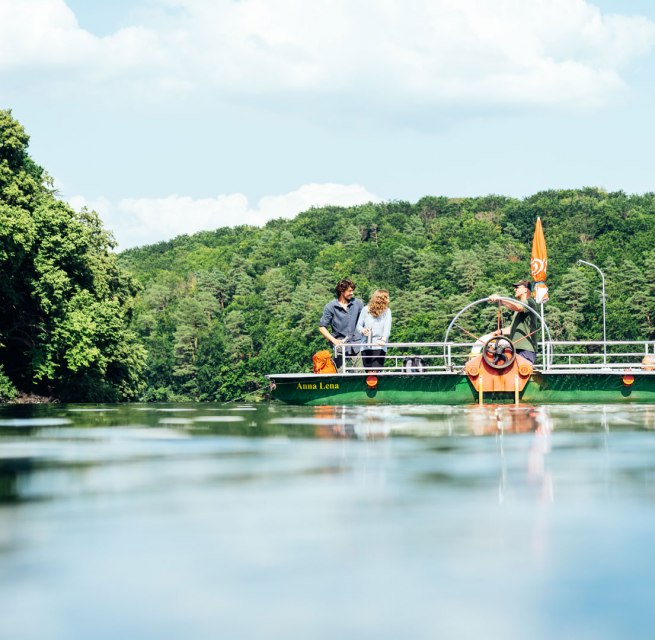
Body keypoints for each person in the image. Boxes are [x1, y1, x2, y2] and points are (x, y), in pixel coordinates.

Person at [488, 280, 538, 364]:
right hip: (516, 349)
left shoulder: (529, 302)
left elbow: (518, 307)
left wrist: (501, 300)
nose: (515, 290)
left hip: (525, 350)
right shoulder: (520, 307)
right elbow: (512, 328)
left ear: (525, 289)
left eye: (517, 287)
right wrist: (498, 332)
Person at [319, 278, 364, 369]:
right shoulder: (330, 307)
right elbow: (322, 327)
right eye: (350, 291)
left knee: (360, 374)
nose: (352, 293)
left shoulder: (358, 303)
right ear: (341, 291)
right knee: (340, 374)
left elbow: (364, 321)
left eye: (353, 291)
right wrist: (333, 340)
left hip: (357, 344)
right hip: (339, 345)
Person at [356, 289, 392, 372]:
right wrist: (363, 330)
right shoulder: (365, 310)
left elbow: (387, 328)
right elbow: (358, 326)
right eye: (387, 297)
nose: (389, 300)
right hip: (366, 345)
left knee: (375, 372)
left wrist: (383, 339)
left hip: (379, 345)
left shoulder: (387, 311)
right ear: (381, 299)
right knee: (368, 372)